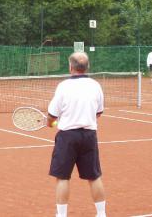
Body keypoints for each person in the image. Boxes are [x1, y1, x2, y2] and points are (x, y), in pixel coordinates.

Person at [47, 52, 106, 217]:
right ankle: (101, 214)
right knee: (94, 177)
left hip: (67, 138)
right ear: (87, 67)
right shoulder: (95, 85)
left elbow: (52, 116)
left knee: (62, 177)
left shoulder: (63, 86)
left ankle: (62, 215)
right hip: (89, 136)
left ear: (70, 67)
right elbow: (98, 112)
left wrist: (51, 123)